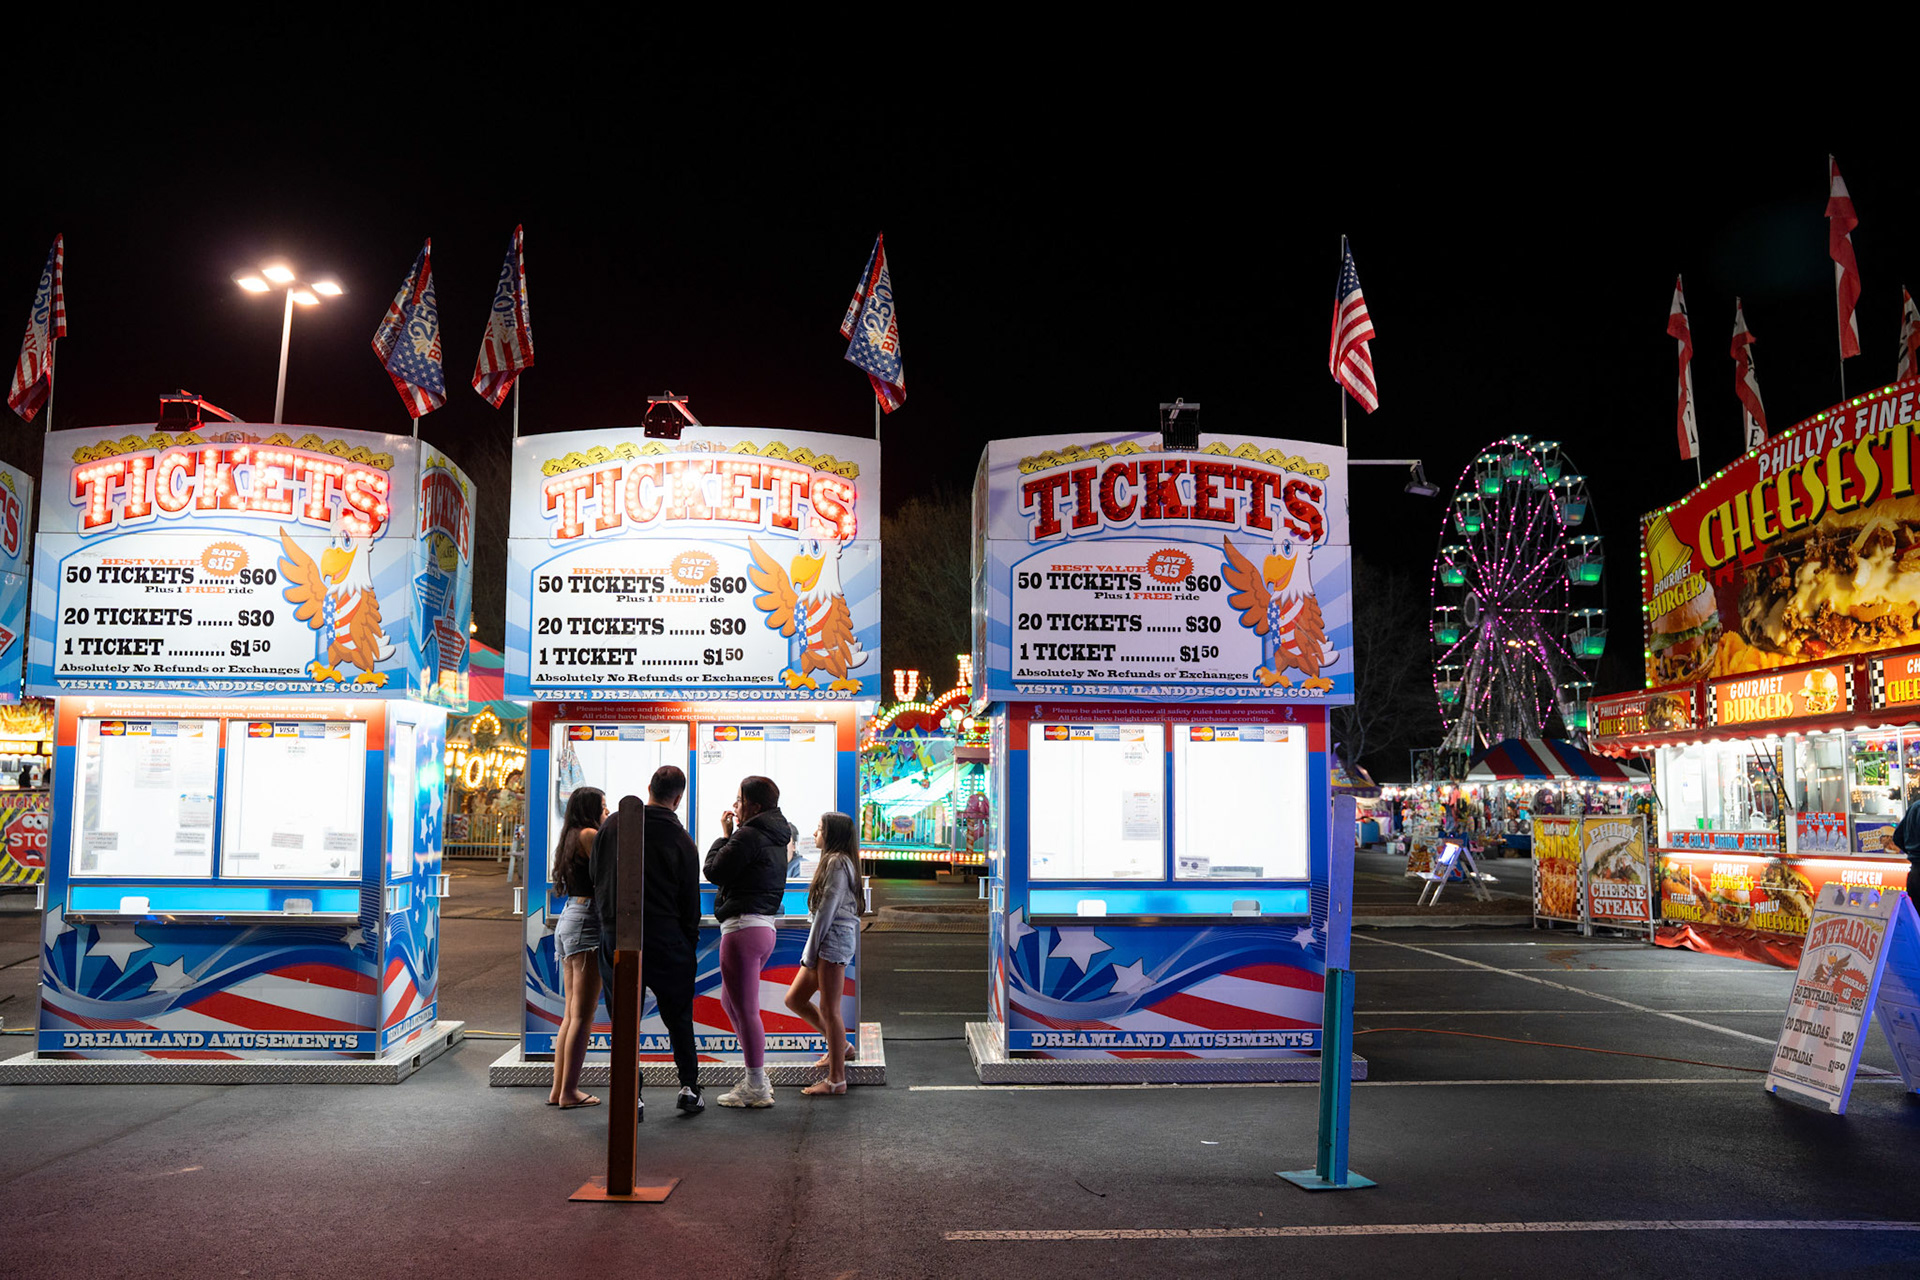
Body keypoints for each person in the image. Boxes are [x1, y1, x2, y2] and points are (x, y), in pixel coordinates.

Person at [589, 766, 707, 1120]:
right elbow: (690, 901)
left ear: (649, 788)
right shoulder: (682, 840)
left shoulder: (612, 826)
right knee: (679, 1017)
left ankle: (632, 1094)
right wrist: (687, 944)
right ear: (679, 798)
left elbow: (596, 874)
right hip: (668, 938)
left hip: (617, 935)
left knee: (625, 1020)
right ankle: (689, 1087)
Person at [703, 775, 790, 1108]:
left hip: (742, 929)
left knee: (747, 1009)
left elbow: (714, 871)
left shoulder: (749, 835)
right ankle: (757, 1076)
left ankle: (756, 1082)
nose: (735, 806)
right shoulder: (776, 835)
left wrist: (724, 837)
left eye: (739, 800)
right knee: (732, 1003)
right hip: (762, 928)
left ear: (753, 805)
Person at [783, 812, 862, 1096]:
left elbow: (826, 912)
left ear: (832, 835)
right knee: (795, 999)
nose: (814, 834)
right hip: (828, 941)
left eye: (819, 829)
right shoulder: (834, 861)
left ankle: (836, 1080)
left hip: (832, 941)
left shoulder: (837, 862)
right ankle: (840, 1047)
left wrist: (810, 953)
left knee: (830, 1009)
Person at [547, 787, 605, 1110]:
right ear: (591, 809)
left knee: (571, 1014)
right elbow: (612, 870)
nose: (607, 813)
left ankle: (559, 1089)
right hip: (587, 922)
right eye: (604, 806)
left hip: (571, 915)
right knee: (583, 1015)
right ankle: (570, 1091)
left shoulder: (568, 834)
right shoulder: (590, 835)